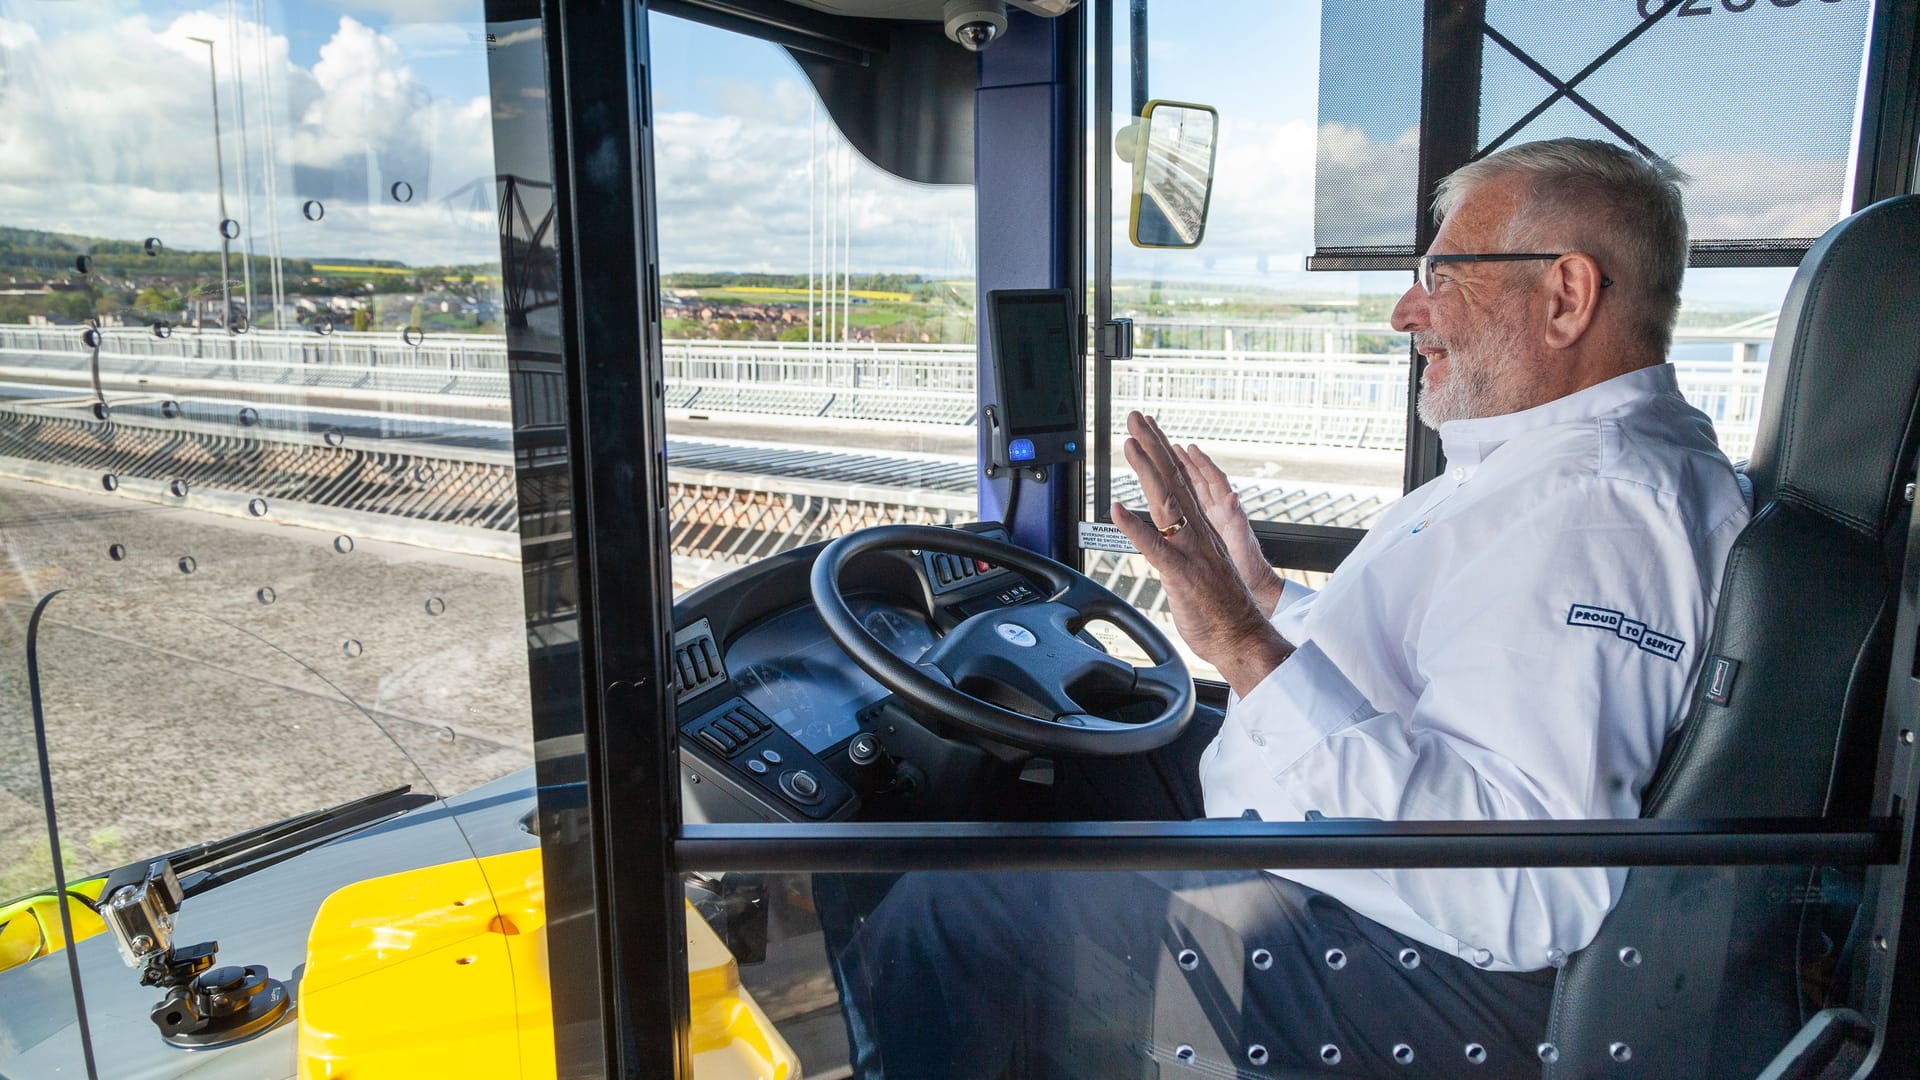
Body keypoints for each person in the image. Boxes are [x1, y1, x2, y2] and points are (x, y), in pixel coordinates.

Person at [829, 138, 1752, 1078]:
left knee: (952, 904)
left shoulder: (1595, 518)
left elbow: (1520, 888)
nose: (1406, 313)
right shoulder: (1547, 474)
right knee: (1056, 780)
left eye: (1442, 276)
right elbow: (1420, 669)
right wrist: (1263, 596)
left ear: (1565, 296)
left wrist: (1240, 645)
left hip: (1415, 973)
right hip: (1349, 868)